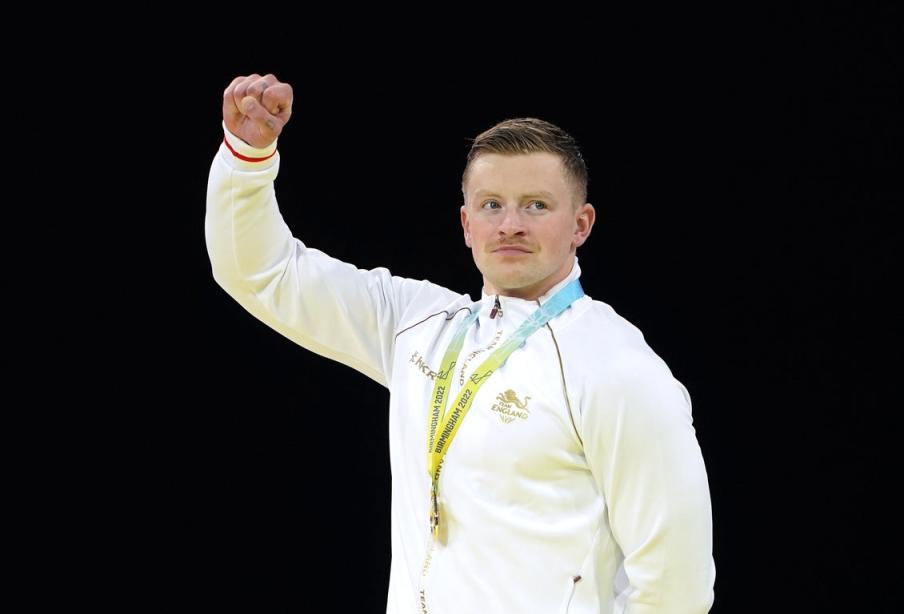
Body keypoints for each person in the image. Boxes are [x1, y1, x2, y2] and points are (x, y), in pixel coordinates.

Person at [206, 73, 716, 614]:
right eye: (492, 205)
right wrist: (247, 157)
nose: (511, 225)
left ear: (581, 225)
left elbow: (675, 591)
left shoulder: (618, 369)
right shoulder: (417, 324)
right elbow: (264, 272)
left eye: (537, 205)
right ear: (466, 223)